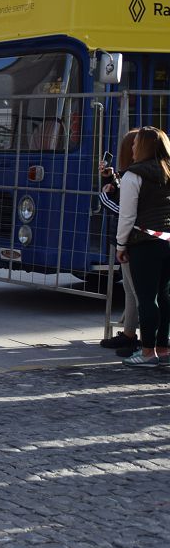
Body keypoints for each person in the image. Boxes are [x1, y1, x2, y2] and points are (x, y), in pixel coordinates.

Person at [116, 126, 170, 368]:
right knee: (165, 296)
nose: (133, 147)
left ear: (145, 147)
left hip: (143, 243)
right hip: (168, 241)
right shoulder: (168, 171)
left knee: (147, 299)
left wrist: (121, 244)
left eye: (136, 143)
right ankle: (163, 347)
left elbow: (126, 216)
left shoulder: (133, 175)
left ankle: (147, 352)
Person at [99, 129, 141, 356]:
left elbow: (126, 211)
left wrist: (104, 196)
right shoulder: (131, 174)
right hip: (131, 240)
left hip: (134, 240)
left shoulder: (136, 175)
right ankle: (129, 334)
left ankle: (150, 343)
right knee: (130, 290)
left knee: (138, 291)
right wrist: (110, 180)